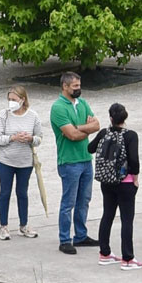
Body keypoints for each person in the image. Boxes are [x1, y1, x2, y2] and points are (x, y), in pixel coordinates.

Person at [87, 103, 142, 270]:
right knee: (127, 219)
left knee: (108, 215)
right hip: (125, 183)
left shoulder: (104, 132)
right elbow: (134, 160)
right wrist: (135, 178)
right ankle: (128, 258)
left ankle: (104, 253)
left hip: (107, 182)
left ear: (110, 118)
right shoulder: (131, 135)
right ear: (125, 117)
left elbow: (90, 148)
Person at [51, 72, 100, 255]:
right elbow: (70, 136)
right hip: (69, 162)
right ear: (65, 86)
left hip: (86, 159)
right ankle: (65, 239)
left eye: (79, 86)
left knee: (84, 200)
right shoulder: (58, 108)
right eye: (75, 87)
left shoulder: (83, 103)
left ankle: (80, 235)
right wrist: (85, 130)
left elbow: (96, 125)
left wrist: (80, 128)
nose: (78, 89)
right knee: (68, 202)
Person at [0, 86, 42, 241]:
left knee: (22, 193)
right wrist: (13, 138)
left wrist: (30, 139)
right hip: (5, 160)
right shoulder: (3, 115)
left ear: (23, 99)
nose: (11, 103)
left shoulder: (33, 116)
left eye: (14, 100)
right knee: (5, 192)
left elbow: (39, 137)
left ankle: (23, 225)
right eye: (9, 99)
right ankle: (3, 226)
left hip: (25, 161)